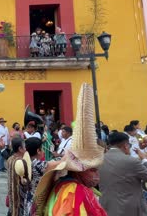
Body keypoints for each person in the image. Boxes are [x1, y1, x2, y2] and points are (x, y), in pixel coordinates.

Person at [33, 84, 107, 216]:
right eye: (92, 170)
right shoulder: (73, 193)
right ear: (78, 170)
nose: (97, 176)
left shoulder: (71, 186)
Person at [99, 132, 147, 216]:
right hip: (129, 209)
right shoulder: (131, 161)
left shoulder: (99, 159)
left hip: (106, 207)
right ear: (125, 145)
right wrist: (145, 160)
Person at [23, 138, 62, 215]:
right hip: (37, 200)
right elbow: (61, 162)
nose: (44, 151)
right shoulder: (38, 165)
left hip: (28, 198)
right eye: (43, 149)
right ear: (38, 151)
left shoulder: (25, 162)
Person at [6, 136, 30, 216]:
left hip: (11, 192)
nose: (26, 149)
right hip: (18, 195)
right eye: (24, 147)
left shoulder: (10, 159)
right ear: (20, 148)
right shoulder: (21, 162)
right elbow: (24, 180)